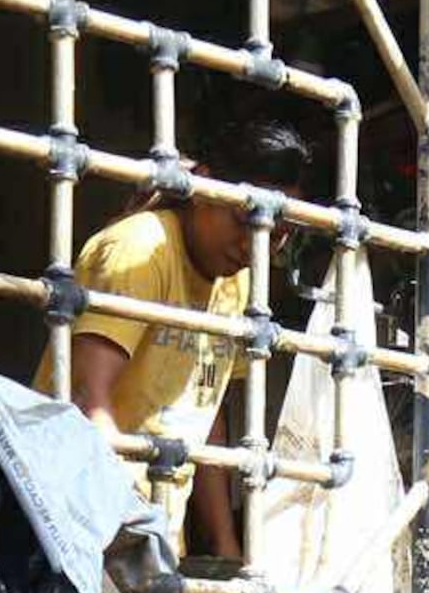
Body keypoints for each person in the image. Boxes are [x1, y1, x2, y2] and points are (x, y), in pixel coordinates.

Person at [47, 113, 315, 564]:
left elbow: (205, 414)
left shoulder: (240, 282)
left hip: (156, 544)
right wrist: (127, 522)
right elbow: (85, 394)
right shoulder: (140, 250)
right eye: (243, 220)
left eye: (276, 236)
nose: (256, 246)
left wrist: (225, 549)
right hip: (82, 528)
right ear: (205, 188)